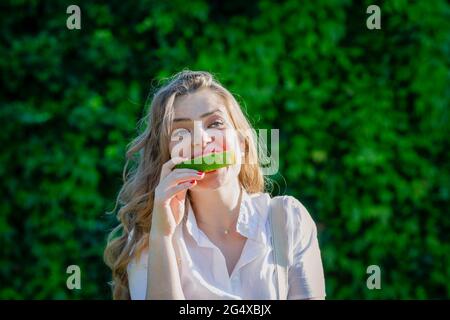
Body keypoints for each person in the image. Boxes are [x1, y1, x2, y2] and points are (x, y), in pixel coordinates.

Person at [104, 70, 326, 300]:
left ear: (243, 143)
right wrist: (163, 237)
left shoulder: (289, 219)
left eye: (215, 123)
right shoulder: (149, 240)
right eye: (181, 131)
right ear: (167, 156)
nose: (201, 139)